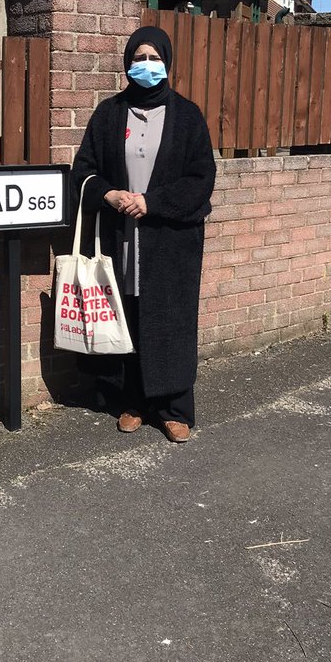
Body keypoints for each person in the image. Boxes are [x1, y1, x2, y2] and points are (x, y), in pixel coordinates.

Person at [70, 25, 216, 442]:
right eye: (139, 58)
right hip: (121, 238)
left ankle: (173, 408)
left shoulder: (187, 116)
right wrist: (110, 194)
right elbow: (84, 171)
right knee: (127, 318)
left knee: (170, 321)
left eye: (154, 58)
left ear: (167, 63)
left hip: (170, 243)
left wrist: (153, 202)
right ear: (127, 63)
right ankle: (131, 401)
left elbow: (201, 178)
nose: (146, 66)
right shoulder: (109, 113)